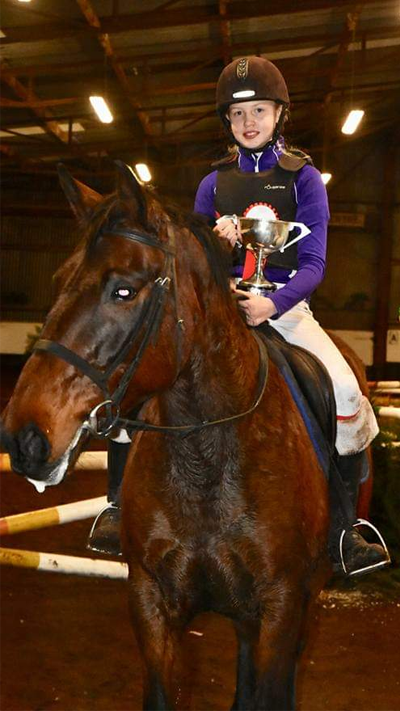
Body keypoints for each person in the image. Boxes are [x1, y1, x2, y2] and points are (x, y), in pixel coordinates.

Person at [193, 55, 389, 577]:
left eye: (259, 110)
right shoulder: (212, 184)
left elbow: (315, 264)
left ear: (280, 113)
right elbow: (194, 261)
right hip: (222, 303)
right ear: (227, 120)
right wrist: (216, 248)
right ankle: (120, 506)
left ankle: (346, 530)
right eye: (237, 114)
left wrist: (272, 304)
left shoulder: (304, 179)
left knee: (345, 390)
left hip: (284, 305)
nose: (248, 122)